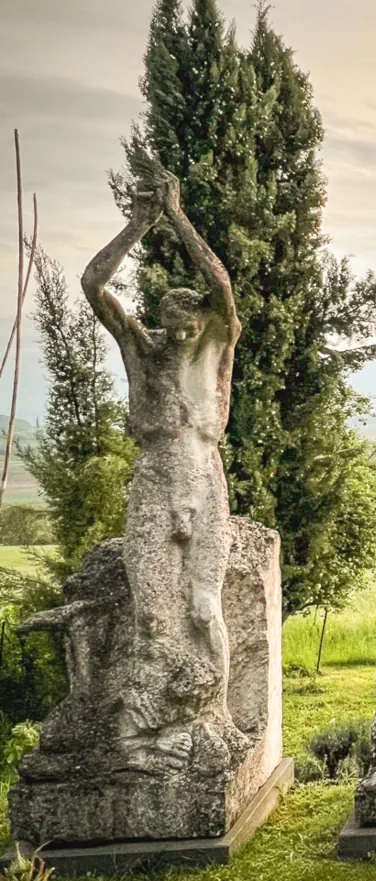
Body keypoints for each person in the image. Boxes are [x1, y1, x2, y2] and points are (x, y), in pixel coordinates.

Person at [82, 168, 246, 773]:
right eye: (171, 323)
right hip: (154, 483)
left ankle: (215, 720)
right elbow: (93, 285)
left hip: (204, 484)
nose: (179, 333)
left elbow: (223, 289)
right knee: (154, 619)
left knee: (205, 610)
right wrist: (139, 224)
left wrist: (178, 216)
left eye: (190, 325)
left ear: (203, 326)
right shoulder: (139, 347)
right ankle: (144, 741)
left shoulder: (215, 346)